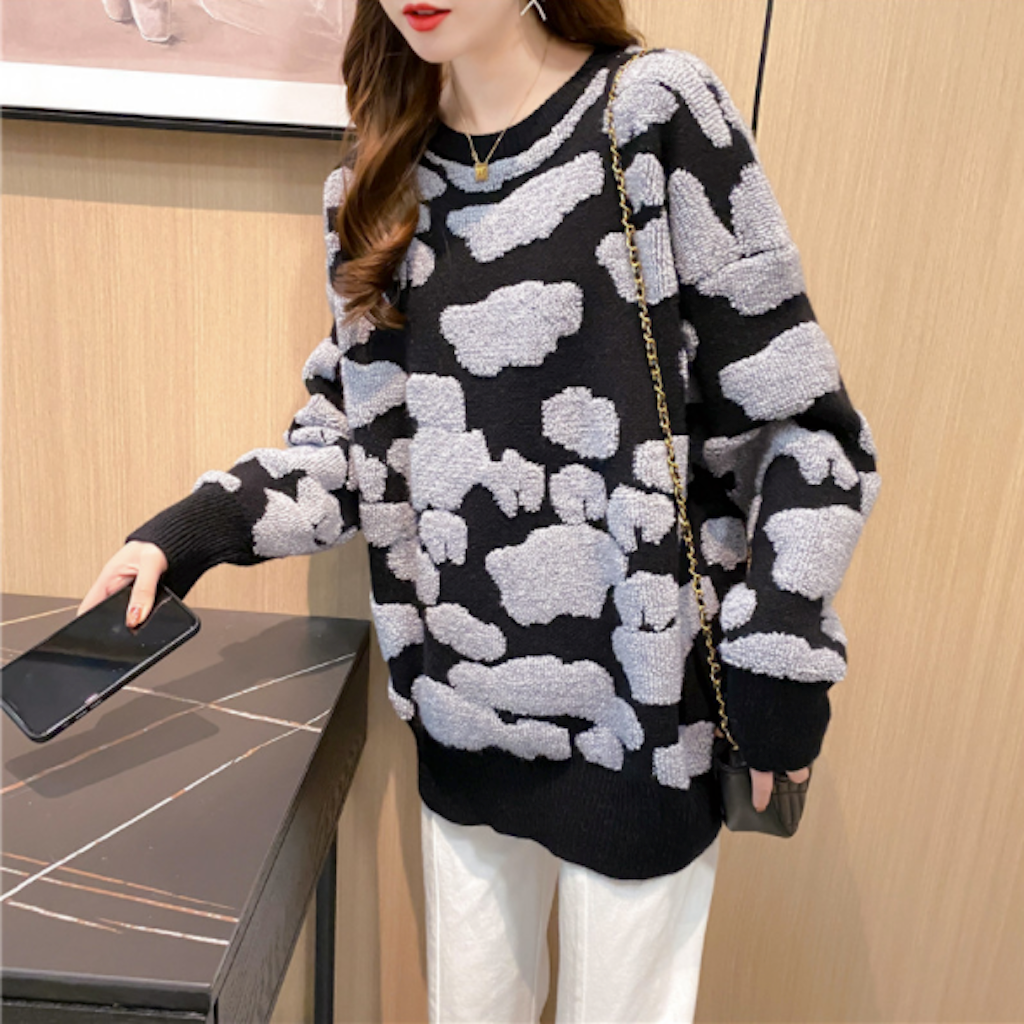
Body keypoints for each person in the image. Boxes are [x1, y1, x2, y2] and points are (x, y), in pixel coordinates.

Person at [78, 1, 882, 1020]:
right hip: (463, 717)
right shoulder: (375, 180)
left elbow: (799, 423)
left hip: (643, 726)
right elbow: (361, 447)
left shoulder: (654, 113)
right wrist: (189, 534)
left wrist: (779, 655)